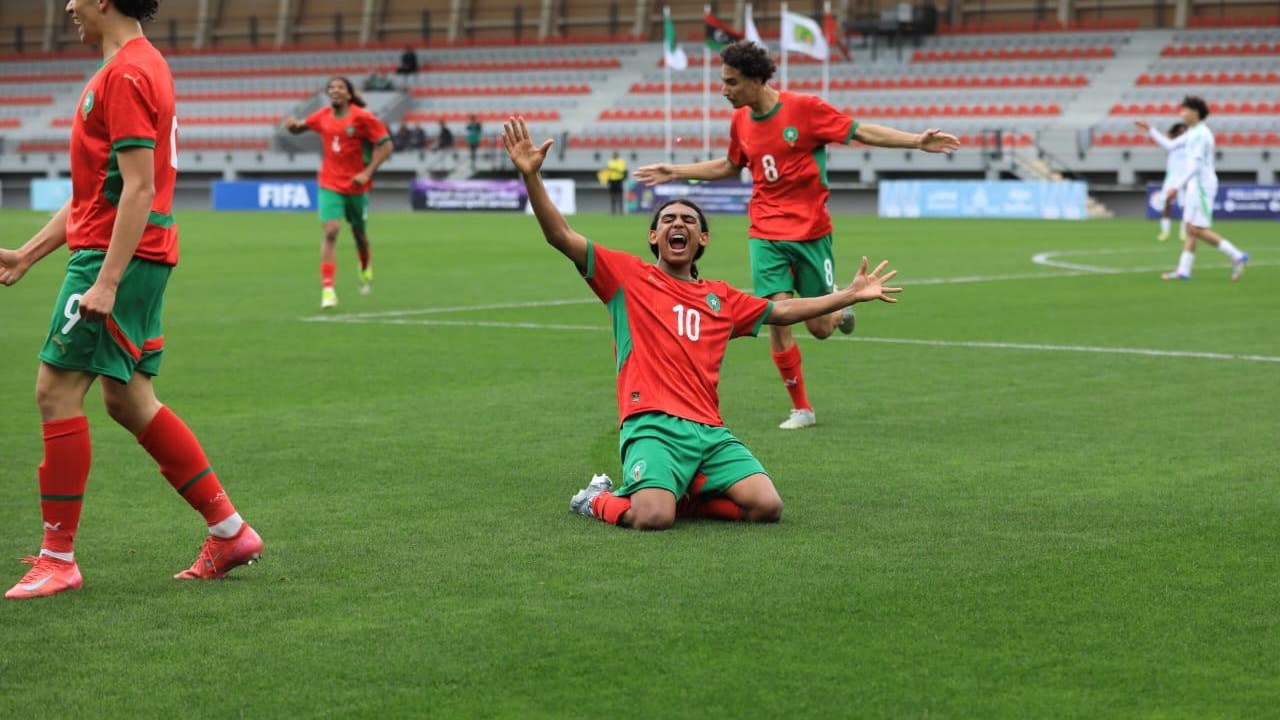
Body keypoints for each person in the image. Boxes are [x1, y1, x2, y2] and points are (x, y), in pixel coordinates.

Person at [502, 116, 901, 530]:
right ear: (654, 237)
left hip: (708, 430)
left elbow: (781, 312)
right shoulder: (626, 276)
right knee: (653, 519)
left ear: (703, 240)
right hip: (651, 422)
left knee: (767, 507)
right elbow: (560, 235)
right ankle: (597, 499)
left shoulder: (722, 298)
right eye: (668, 220)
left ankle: (676, 496)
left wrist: (848, 296)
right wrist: (532, 177)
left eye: (689, 221)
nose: (678, 224)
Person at [0, 0, 262, 600]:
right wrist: (29, 253)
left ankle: (58, 557)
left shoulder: (127, 74)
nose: (67, 5)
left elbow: (139, 188)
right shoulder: (136, 66)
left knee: (56, 390)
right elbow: (99, 193)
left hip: (116, 259)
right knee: (129, 398)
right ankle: (230, 530)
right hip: (136, 253)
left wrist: (108, 279)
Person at [635, 40, 958, 430]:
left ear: (756, 80)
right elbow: (730, 164)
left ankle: (839, 308)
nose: (724, 90)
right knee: (776, 317)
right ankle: (802, 408)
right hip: (765, 232)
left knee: (820, 328)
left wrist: (916, 142)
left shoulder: (805, 109)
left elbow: (860, 131)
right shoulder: (740, 121)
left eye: (731, 82)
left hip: (811, 233)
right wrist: (676, 171)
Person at [283, 77, 393, 307]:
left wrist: (367, 172)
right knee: (331, 231)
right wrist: (293, 126)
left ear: (349, 94)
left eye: (340, 87)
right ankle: (328, 290)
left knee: (359, 235)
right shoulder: (322, 115)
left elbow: (386, 145)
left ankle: (364, 266)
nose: (334, 90)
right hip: (329, 184)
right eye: (331, 88)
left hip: (356, 185)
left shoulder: (363, 118)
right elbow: (300, 128)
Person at [1137, 96, 1249, 282]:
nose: (1181, 113)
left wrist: (1176, 186)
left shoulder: (1201, 135)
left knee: (1196, 228)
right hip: (1195, 185)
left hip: (1202, 185)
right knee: (1190, 228)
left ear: (1194, 112)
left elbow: (1196, 166)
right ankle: (1183, 270)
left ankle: (1237, 255)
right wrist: (1151, 130)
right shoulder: (1193, 132)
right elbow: (1171, 145)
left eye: (1184, 110)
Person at [1140, 120, 1187, 242]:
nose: (1183, 132)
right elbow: (1163, 141)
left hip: (1184, 179)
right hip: (1171, 179)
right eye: (1180, 130)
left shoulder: (1190, 145)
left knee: (1185, 206)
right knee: (1167, 203)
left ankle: (1184, 232)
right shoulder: (1172, 145)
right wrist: (1150, 129)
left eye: (1184, 130)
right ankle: (1165, 231)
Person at [603, 151, 627, 215]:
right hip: (612, 180)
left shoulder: (621, 161)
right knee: (612, 195)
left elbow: (622, 169)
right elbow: (608, 169)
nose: (615, 156)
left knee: (620, 195)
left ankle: (621, 211)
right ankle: (613, 211)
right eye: (614, 155)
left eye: (616, 155)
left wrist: (614, 168)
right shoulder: (610, 161)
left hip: (619, 180)